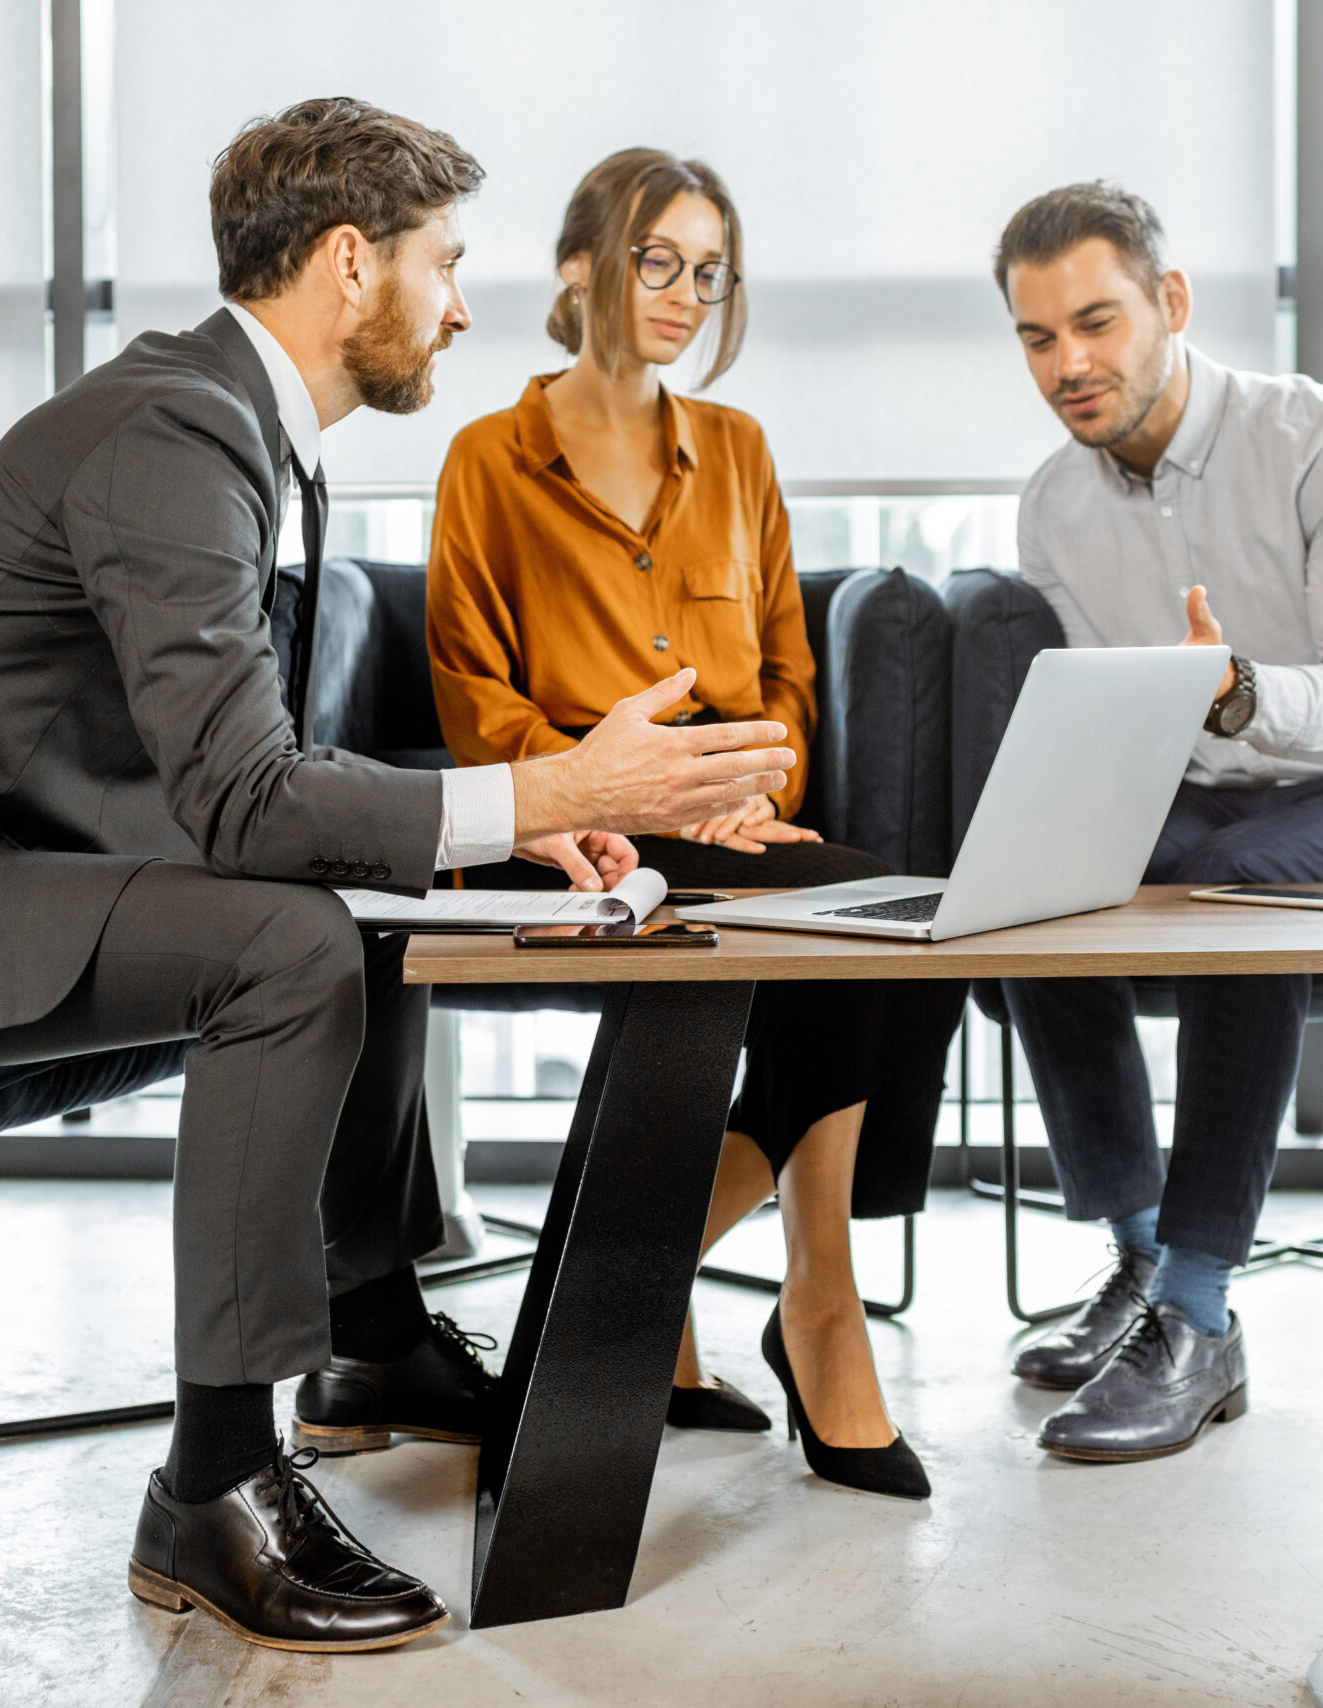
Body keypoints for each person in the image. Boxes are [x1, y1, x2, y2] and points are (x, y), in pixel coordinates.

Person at [0, 99, 798, 1654]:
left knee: (373, 890)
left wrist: (508, 819)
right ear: (351, 264)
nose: (465, 304)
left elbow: (243, 774)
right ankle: (211, 1488)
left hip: (20, 858)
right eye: (443, 264)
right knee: (290, 943)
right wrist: (554, 781)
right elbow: (249, 801)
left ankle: (373, 1332)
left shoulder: (241, 423)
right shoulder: (179, 429)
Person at [424, 148, 965, 1500]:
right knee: (864, 928)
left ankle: (654, 1280)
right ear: (578, 271)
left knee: (901, 914)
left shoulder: (737, 450)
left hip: (731, 825)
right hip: (572, 825)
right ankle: (802, 1314)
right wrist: (608, 793)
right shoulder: (489, 460)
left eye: (707, 272)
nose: (684, 294)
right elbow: (474, 697)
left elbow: (786, 674)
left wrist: (751, 793)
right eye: (657, 261)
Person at [990, 182, 1323, 1460]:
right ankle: (1141, 1259)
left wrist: (1241, 688)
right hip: (1205, 793)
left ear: (1171, 303)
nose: (1069, 364)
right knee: (1030, 876)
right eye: (1037, 338)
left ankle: (1199, 1313)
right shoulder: (1054, 503)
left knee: (1241, 892)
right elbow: (1134, 724)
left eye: (1095, 321)